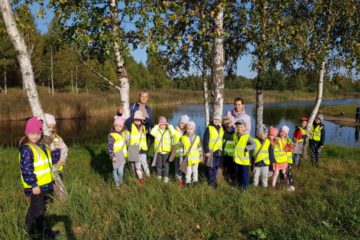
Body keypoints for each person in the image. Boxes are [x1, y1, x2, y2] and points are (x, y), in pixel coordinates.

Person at [19, 117, 61, 238]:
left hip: (43, 184)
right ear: (27, 132)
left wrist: (57, 150)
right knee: (39, 210)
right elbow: (26, 169)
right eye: (32, 133)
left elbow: (51, 160)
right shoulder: (27, 149)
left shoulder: (42, 145)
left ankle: (29, 229)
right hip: (36, 186)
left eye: (38, 133)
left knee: (35, 209)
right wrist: (34, 185)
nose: (35, 136)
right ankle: (43, 233)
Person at [125, 110, 151, 183]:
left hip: (143, 148)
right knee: (137, 164)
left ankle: (148, 175)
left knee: (144, 163)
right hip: (134, 148)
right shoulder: (131, 126)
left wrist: (144, 118)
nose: (137, 120)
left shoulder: (144, 126)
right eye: (136, 119)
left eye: (139, 119)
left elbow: (150, 122)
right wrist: (134, 117)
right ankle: (141, 178)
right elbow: (127, 122)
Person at [150, 116, 176, 183]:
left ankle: (166, 177)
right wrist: (157, 126)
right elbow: (152, 132)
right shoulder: (157, 131)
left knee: (165, 165)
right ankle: (159, 175)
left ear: (166, 125)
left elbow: (174, 133)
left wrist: (169, 125)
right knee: (159, 165)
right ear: (159, 124)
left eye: (164, 124)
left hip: (166, 152)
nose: (162, 126)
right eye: (161, 124)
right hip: (159, 151)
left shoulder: (168, 132)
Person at [232, 119, 256, 189]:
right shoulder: (234, 135)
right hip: (236, 159)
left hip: (244, 161)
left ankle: (245, 187)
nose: (239, 128)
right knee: (237, 173)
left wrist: (247, 148)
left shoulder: (247, 136)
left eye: (241, 127)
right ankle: (238, 185)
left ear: (245, 128)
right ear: (236, 127)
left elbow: (254, 144)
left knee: (245, 175)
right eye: (238, 127)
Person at [44, 113, 68, 179]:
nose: (52, 129)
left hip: (58, 171)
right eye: (49, 127)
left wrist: (60, 162)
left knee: (59, 187)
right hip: (44, 173)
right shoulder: (39, 140)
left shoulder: (57, 139)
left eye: (53, 127)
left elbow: (65, 149)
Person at [203, 114, 224, 188]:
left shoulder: (221, 129)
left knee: (216, 166)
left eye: (218, 120)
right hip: (212, 151)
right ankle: (211, 182)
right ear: (212, 120)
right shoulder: (209, 128)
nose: (216, 121)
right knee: (211, 166)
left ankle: (213, 180)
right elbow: (205, 140)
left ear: (220, 121)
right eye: (215, 119)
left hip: (219, 151)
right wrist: (206, 151)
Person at [108, 116, 128, 188]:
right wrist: (112, 156)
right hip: (115, 156)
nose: (118, 128)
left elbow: (125, 144)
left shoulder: (123, 133)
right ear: (114, 125)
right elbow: (110, 147)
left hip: (122, 155)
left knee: (120, 171)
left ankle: (120, 180)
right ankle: (117, 183)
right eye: (116, 126)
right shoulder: (112, 135)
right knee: (115, 170)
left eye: (120, 126)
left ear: (122, 126)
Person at [181, 121, 202, 186]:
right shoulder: (183, 138)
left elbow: (200, 147)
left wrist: (201, 156)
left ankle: (195, 181)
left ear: (194, 129)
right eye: (188, 129)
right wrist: (181, 158)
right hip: (187, 158)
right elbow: (181, 148)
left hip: (195, 158)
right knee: (188, 171)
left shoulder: (197, 138)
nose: (189, 130)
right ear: (186, 129)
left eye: (191, 129)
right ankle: (187, 182)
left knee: (195, 170)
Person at [173, 115, 189, 186]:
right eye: (182, 123)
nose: (183, 125)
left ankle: (185, 179)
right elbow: (172, 142)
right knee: (177, 166)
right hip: (176, 152)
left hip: (185, 153)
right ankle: (179, 180)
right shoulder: (174, 130)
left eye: (185, 124)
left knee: (184, 166)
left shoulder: (188, 132)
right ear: (179, 123)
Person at [279, 125, 295, 191]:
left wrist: (284, 142)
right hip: (281, 159)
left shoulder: (288, 140)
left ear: (287, 134)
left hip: (288, 160)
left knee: (288, 172)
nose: (282, 134)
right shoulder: (278, 138)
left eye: (284, 133)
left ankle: (291, 185)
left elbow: (290, 148)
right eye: (281, 132)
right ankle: (283, 184)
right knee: (281, 172)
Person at [222, 116, 235, 183]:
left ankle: (231, 178)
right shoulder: (223, 131)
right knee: (225, 166)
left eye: (229, 123)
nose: (228, 125)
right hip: (224, 153)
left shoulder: (234, 131)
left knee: (231, 166)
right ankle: (226, 177)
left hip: (232, 153)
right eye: (226, 124)